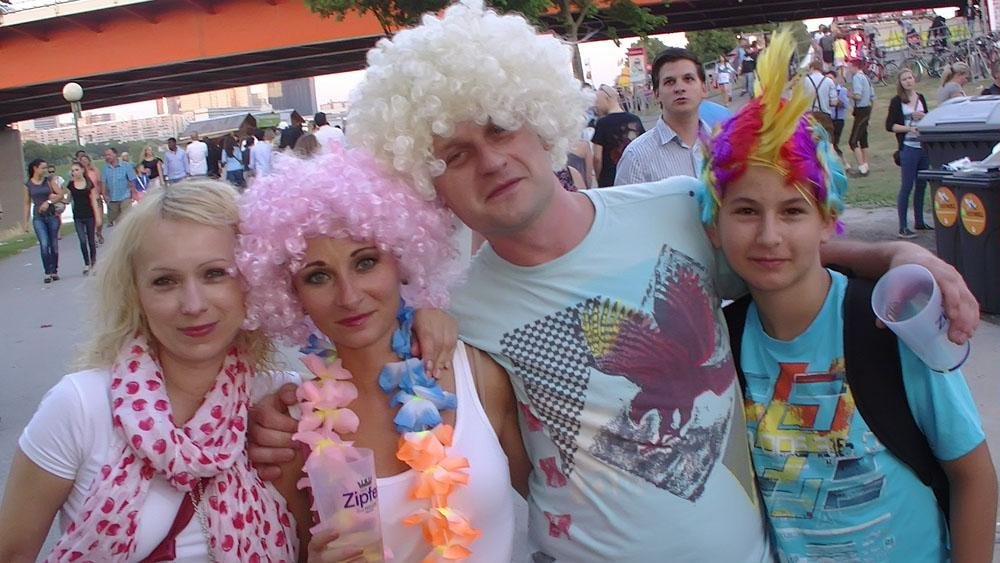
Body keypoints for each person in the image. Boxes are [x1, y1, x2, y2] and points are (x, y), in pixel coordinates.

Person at [250, 3, 981, 561]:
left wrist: (896, 256)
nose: (491, 160)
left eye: (501, 127)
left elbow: (783, 254)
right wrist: (279, 415)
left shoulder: (678, 210)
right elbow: (359, 362)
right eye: (455, 154)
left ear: (542, 121)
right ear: (427, 183)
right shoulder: (453, 310)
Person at [700, 31, 997, 561]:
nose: (769, 235)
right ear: (713, 227)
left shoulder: (886, 322)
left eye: (793, 210)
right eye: (745, 211)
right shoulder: (724, 343)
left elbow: (972, 473)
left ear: (827, 220)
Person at [236, 146, 528, 562]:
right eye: (317, 277)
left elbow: (559, 506)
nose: (349, 296)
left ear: (401, 260)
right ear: (291, 293)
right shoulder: (292, 430)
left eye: (365, 262)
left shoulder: (477, 374)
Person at [0, 179, 301, 561]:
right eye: (164, 281)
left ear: (253, 279)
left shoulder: (285, 407)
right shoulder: (79, 407)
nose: (193, 304)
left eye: (215, 273)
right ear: (135, 294)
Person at [615, 47, 711, 183]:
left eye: (688, 79)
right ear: (656, 94)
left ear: (704, 88)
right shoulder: (636, 158)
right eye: (669, 82)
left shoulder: (725, 145)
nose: (680, 88)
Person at [887, 69, 932, 238]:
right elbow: (890, 125)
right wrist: (908, 128)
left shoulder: (920, 98)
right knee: (907, 186)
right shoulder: (896, 101)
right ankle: (903, 226)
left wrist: (924, 116)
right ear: (900, 82)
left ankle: (919, 221)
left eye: (910, 78)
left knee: (922, 184)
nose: (908, 81)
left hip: (923, 147)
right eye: (904, 79)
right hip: (908, 147)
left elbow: (928, 119)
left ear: (914, 79)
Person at [591, 84, 644, 187]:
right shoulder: (634, 119)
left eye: (598, 102)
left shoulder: (602, 124)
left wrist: (598, 177)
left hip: (610, 180)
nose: (596, 106)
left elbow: (597, 158)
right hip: (634, 176)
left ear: (606, 99)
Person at [21, 158, 63, 283]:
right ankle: (47, 272)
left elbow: (60, 195)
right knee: (44, 244)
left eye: (46, 168)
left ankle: (54, 270)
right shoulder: (28, 185)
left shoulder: (49, 181)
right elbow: (26, 204)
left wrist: (48, 201)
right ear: (35, 168)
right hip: (38, 218)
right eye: (43, 168)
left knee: (54, 245)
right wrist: (25, 223)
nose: (45, 170)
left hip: (51, 215)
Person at [67, 162, 101, 275]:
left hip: (89, 215)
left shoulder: (88, 183)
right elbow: (67, 199)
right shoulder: (71, 184)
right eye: (72, 171)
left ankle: (93, 263)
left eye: (76, 170)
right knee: (82, 240)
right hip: (78, 216)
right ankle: (86, 263)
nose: (74, 172)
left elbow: (94, 200)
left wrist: (98, 216)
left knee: (91, 240)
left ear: (82, 170)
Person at [847, 58, 876, 176]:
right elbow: (872, 97)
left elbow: (858, 96)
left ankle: (862, 167)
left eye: (850, 67)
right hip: (867, 109)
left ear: (855, 66)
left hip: (861, 110)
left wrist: (849, 94)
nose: (849, 69)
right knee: (863, 139)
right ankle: (866, 165)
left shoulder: (857, 78)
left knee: (853, 141)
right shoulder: (866, 77)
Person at [100, 147, 136, 228]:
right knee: (116, 221)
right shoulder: (105, 168)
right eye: (106, 155)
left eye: (109, 155)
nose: (107, 157)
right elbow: (103, 182)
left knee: (126, 218)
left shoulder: (126, 166)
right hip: (112, 198)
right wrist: (104, 194)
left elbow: (132, 181)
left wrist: (133, 194)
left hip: (125, 196)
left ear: (115, 154)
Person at [76, 151, 106, 245]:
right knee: (91, 219)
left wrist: (103, 193)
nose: (84, 162)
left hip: (96, 197)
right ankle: (93, 238)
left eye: (86, 160)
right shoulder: (80, 173)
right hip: (86, 198)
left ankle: (98, 233)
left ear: (89, 161)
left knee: (99, 220)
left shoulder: (94, 170)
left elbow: (100, 182)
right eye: (82, 161)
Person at [828, 69, 851, 169]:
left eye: (831, 78)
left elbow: (845, 104)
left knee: (833, 143)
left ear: (835, 79)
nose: (829, 81)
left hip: (838, 120)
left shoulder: (841, 90)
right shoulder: (824, 90)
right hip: (828, 119)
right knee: (829, 143)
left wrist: (834, 101)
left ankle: (844, 163)